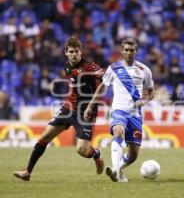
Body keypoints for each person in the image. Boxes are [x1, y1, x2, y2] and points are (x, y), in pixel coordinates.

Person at [14, 37, 105, 181]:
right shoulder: (67, 66)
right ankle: (28, 171)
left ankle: (96, 155)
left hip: (85, 111)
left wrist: (91, 104)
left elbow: (105, 82)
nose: (74, 54)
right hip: (69, 107)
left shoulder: (90, 67)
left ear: (81, 52)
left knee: (81, 150)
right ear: (66, 53)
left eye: (76, 51)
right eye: (71, 52)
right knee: (45, 136)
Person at [84, 37, 154, 182]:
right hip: (118, 110)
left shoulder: (144, 70)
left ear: (136, 51)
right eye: (126, 50)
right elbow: (102, 87)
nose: (129, 52)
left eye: (132, 50)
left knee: (133, 154)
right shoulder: (113, 68)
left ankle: (120, 170)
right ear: (122, 51)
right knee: (118, 131)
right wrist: (90, 105)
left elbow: (151, 91)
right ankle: (115, 168)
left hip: (135, 113)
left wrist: (144, 101)